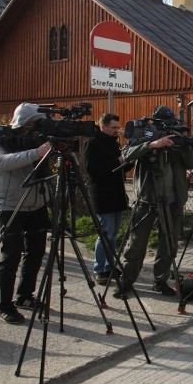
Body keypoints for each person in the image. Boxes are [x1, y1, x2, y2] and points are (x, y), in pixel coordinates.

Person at [116, 106, 193, 297]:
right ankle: (126, 281)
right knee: (136, 243)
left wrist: (183, 145)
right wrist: (152, 145)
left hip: (172, 201)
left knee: (168, 244)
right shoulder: (145, 135)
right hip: (147, 199)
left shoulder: (177, 142)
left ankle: (160, 281)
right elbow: (125, 155)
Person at [0, 102, 52, 324]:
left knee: (36, 252)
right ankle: (4, 305)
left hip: (37, 202)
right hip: (9, 203)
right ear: (22, 122)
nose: (35, 129)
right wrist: (36, 152)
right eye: (32, 125)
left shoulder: (41, 138)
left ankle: (25, 295)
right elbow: (0, 162)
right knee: (11, 255)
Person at [83, 113, 131, 286]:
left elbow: (121, 168)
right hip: (103, 196)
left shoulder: (113, 143)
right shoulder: (92, 143)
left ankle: (109, 266)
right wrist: (118, 160)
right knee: (105, 234)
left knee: (113, 235)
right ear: (102, 126)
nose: (117, 131)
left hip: (116, 195)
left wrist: (130, 158)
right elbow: (93, 169)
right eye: (113, 127)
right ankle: (100, 269)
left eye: (118, 127)